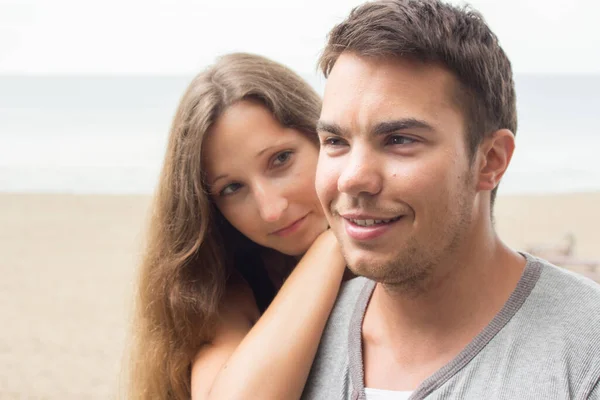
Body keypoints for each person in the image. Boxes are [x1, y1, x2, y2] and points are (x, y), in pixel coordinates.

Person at [303, 1, 600, 399]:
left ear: (490, 161)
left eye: (400, 140)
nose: (353, 178)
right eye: (336, 141)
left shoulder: (585, 356)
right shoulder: (305, 334)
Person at [127, 52, 346, 400]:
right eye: (232, 188)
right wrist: (332, 245)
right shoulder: (223, 290)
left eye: (280, 160)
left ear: (325, 137)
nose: (271, 210)